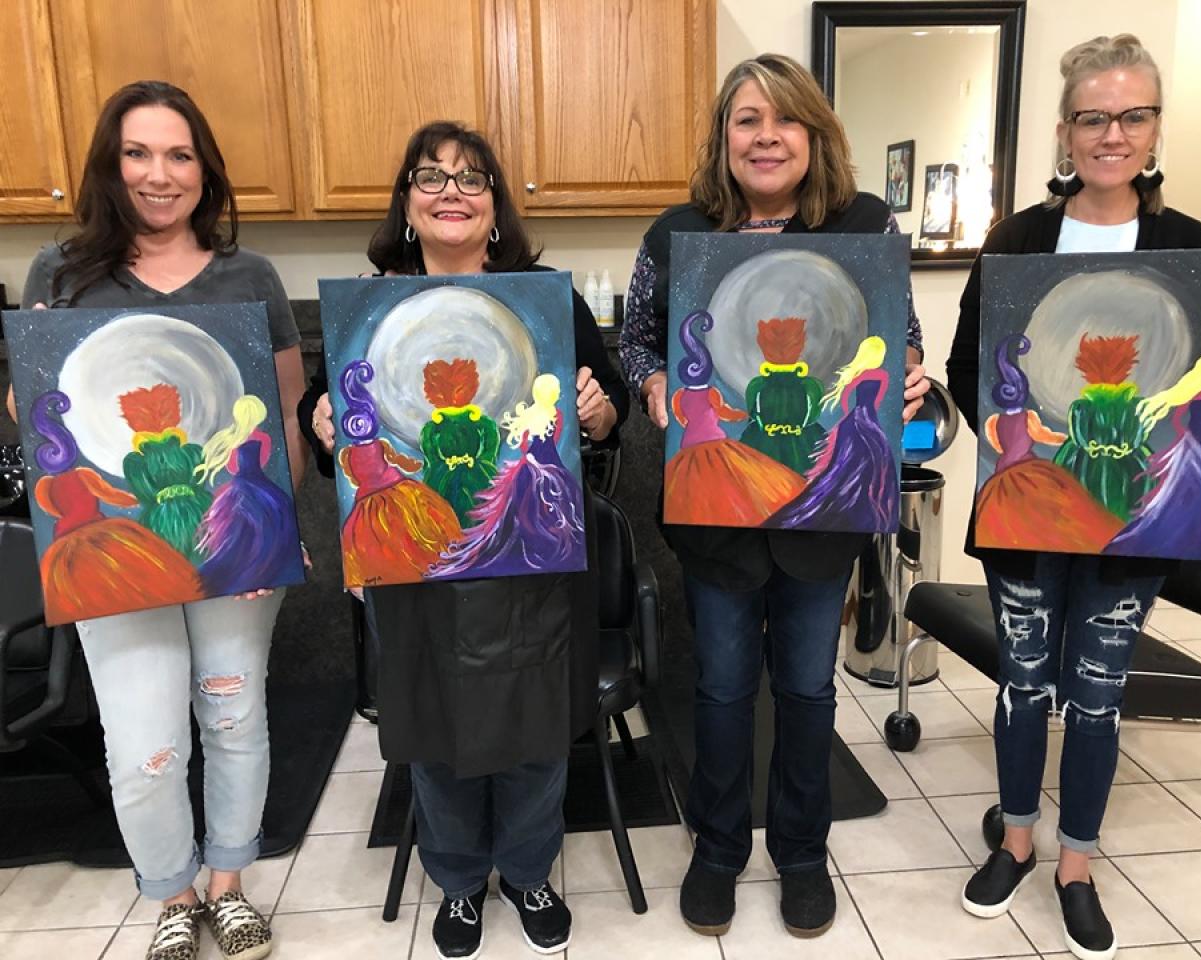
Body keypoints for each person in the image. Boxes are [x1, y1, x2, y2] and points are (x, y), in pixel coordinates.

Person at [298, 121, 628, 960]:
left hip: (532, 557)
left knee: (536, 722)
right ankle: (455, 881)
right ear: (406, 203)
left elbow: (610, 405)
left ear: (495, 204)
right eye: (432, 176)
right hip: (415, 560)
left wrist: (598, 409)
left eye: (472, 178)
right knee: (432, 722)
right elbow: (321, 413)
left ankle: (529, 871)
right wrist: (323, 421)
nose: (452, 191)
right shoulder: (367, 308)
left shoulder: (548, 301)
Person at [619, 53, 928, 939]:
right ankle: (717, 851)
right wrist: (652, 383)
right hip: (715, 516)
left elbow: (902, 335)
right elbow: (635, 342)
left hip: (823, 516)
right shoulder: (678, 233)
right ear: (724, 137)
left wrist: (906, 374)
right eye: (747, 119)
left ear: (814, 133)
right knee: (720, 690)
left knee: (806, 689)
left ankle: (801, 854)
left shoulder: (863, 225)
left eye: (784, 118)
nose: (766, 136)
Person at [6, 81, 307, 960]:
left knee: (234, 717)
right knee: (144, 741)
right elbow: (34, 426)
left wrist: (271, 534)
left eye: (179, 155)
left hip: (233, 549)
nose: (159, 174)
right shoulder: (58, 275)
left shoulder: (249, 277)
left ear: (204, 170)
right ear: (110, 164)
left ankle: (229, 885)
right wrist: (32, 378)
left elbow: (282, 419)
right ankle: (172, 893)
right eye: (138, 153)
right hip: (114, 556)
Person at [945, 35, 1201, 960]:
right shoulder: (1017, 240)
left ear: (1154, 127)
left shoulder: (1191, 248)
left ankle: (1077, 864)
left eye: (1133, 115)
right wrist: (1008, 429)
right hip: (1028, 511)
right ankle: (1017, 840)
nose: (1113, 133)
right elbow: (968, 364)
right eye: (1093, 117)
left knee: (1097, 697)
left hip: (1135, 520)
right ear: (1065, 131)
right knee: (1025, 684)